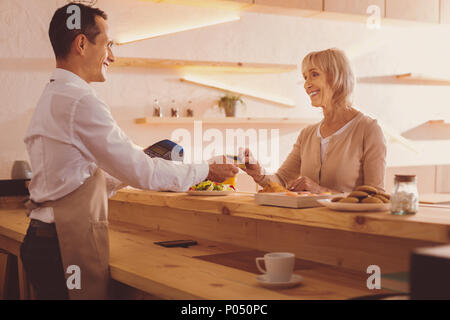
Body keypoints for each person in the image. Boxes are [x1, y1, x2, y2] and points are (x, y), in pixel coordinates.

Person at [20, 3, 238, 300]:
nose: (112, 56)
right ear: (82, 43)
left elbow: (77, 180)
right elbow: (144, 173)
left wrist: (128, 167)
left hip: (43, 240)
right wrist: (206, 169)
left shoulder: (54, 93)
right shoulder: (81, 100)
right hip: (62, 246)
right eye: (108, 44)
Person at [240, 48, 386, 193]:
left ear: (337, 77)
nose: (306, 85)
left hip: (347, 218)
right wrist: (259, 172)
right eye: (305, 78)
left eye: (314, 75)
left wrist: (318, 190)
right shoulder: (307, 134)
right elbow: (281, 181)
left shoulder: (368, 129)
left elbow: (376, 197)